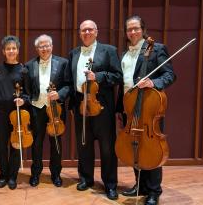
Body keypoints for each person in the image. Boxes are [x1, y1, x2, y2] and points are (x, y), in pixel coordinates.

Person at [117, 15, 175, 205]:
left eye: (136, 28)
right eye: (129, 29)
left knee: (150, 148)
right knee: (134, 146)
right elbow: (124, 83)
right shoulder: (125, 54)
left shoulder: (156, 49)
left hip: (149, 109)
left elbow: (170, 75)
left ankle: (153, 191)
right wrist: (121, 107)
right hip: (130, 107)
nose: (132, 32)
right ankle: (139, 185)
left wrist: (153, 82)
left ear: (143, 29)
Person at [68, 20, 122, 200]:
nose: (87, 32)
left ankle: (110, 184)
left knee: (107, 148)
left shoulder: (109, 50)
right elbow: (70, 80)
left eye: (90, 29)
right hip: (81, 106)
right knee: (83, 145)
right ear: (79, 33)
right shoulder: (74, 53)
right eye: (83, 30)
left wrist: (97, 76)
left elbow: (118, 76)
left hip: (102, 108)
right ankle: (86, 178)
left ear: (97, 32)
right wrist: (71, 106)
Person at [25, 34, 70, 188]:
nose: (44, 49)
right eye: (41, 46)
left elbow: (68, 85)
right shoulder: (29, 65)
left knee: (56, 143)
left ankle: (56, 174)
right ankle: (35, 173)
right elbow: (27, 89)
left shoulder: (63, 63)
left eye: (47, 46)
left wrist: (60, 94)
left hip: (55, 109)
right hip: (37, 109)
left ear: (52, 46)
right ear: (37, 49)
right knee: (36, 143)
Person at [0, 35, 29, 190]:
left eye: (14, 48)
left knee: (16, 144)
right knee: (1, 145)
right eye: (8, 48)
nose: (11, 51)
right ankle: (3, 175)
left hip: (17, 113)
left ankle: (13, 176)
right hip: (0, 112)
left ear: (18, 50)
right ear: (3, 51)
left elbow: (28, 93)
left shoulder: (24, 70)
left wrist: (23, 100)